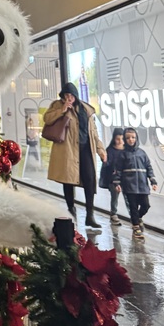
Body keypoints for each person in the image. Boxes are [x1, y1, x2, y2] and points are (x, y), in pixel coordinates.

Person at [45, 81, 106, 231]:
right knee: (68, 181)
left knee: (90, 179)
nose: (69, 98)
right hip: (68, 150)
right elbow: (47, 119)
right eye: (66, 95)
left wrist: (100, 150)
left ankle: (90, 215)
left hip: (86, 149)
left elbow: (93, 132)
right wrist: (62, 110)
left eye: (71, 95)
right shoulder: (57, 105)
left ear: (76, 95)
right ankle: (71, 211)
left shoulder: (85, 109)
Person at [113, 127, 157, 239]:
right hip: (129, 186)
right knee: (133, 207)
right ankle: (136, 227)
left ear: (136, 138)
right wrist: (117, 183)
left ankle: (137, 218)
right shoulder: (122, 154)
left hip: (142, 185)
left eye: (133, 137)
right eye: (128, 138)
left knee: (145, 205)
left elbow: (148, 167)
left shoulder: (142, 153)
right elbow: (118, 170)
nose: (131, 140)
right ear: (125, 139)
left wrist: (152, 180)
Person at [99, 127, 127, 226]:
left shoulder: (127, 150)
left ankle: (134, 216)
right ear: (114, 139)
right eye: (117, 139)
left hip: (125, 178)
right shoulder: (110, 150)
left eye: (122, 139)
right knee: (115, 196)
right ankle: (113, 213)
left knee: (129, 197)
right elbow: (107, 164)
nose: (120, 141)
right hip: (113, 178)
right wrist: (104, 160)